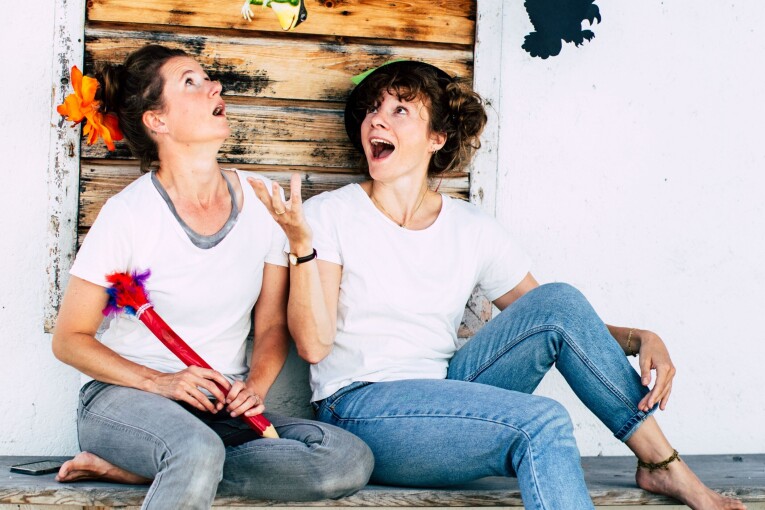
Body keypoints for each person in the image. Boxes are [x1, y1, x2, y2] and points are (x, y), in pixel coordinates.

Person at [250, 61, 746, 510]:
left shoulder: (471, 228)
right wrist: (301, 244)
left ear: (437, 139)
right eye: (373, 109)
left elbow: (567, 327)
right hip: (360, 407)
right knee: (542, 422)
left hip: (447, 396)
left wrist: (642, 339)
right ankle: (665, 470)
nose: (377, 120)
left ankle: (661, 464)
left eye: (400, 110)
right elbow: (313, 347)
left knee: (559, 302)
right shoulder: (329, 215)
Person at [51, 44, 373, 510]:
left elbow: (270, 328)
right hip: (125, 401)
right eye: (190, 82)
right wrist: (160, 382)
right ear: (157, 121)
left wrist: (254, 389)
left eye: (208, 78)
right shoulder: (128, 215)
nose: (214, 86)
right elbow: (70, 339)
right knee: (194, 448)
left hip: (217, 407)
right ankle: (178, 462)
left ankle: (153, 471)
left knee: (344, 458)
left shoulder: (262, 203)